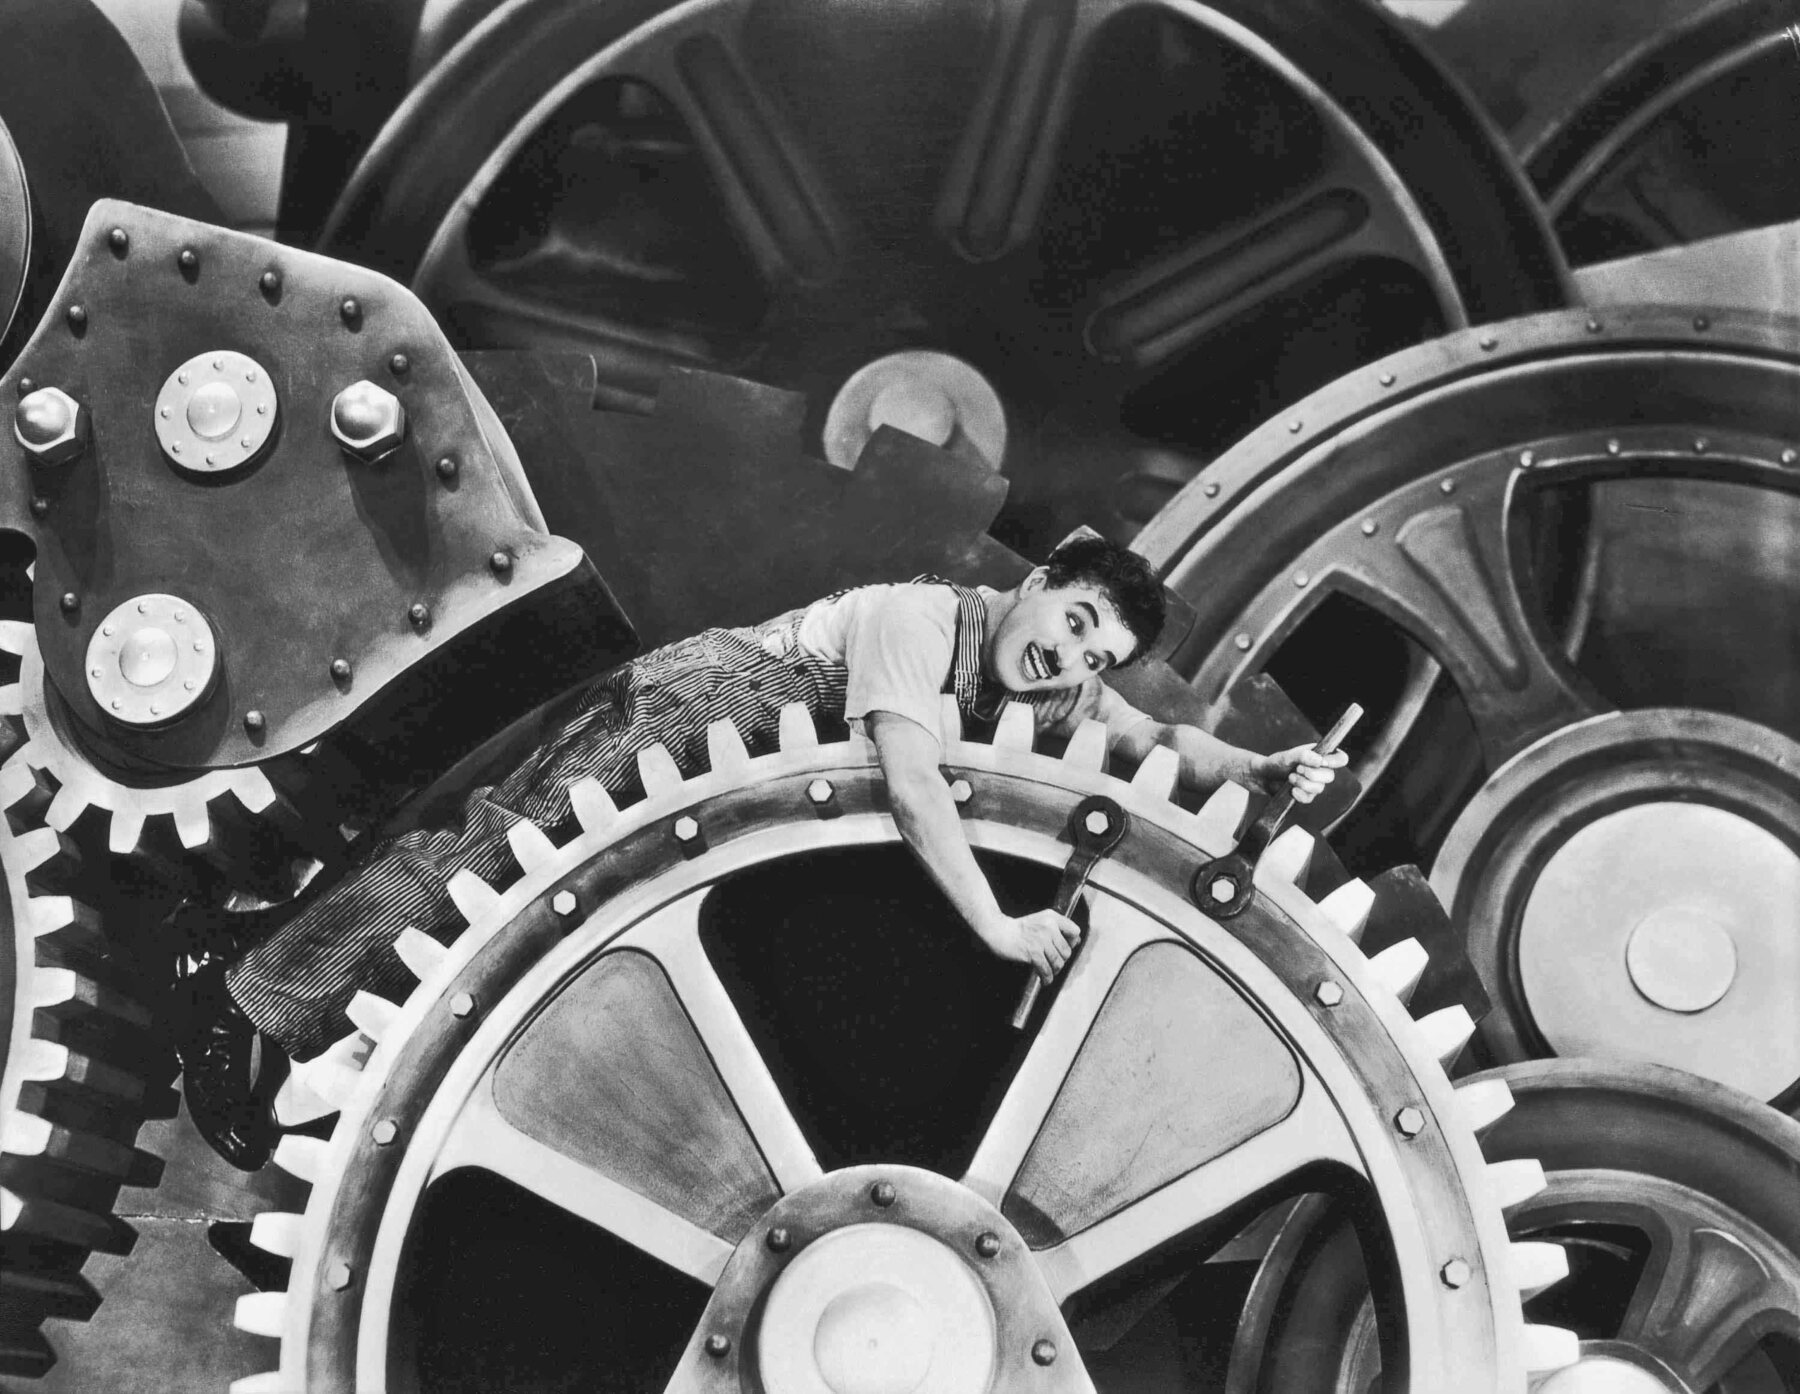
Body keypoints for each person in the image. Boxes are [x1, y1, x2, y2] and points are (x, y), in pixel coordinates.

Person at [173, 537, 1343, 1167]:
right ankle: (245, 1000)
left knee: (507, 939)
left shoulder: (1042, 683)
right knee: (479, 877)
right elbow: (910, 774)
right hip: (701, 710)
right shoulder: (924, 621)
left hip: (731, 767)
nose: (1073, 658)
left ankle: (296, 1084)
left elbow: (1157, 738)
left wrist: (1255, 769)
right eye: (1075, 621)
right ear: (1035, 586)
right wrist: (994, 921)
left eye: (1099, 655)